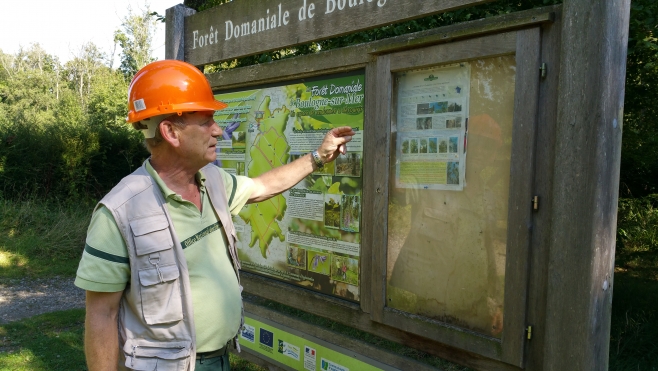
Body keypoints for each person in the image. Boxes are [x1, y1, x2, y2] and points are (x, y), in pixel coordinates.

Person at [74, 60, 354, 371]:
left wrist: (319, 156)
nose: (218, 130)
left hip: (218, 359)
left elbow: (263, 186)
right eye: (206, 121)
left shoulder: (214, 182)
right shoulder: (119, 212)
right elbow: (101, 315)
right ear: (170, 131)